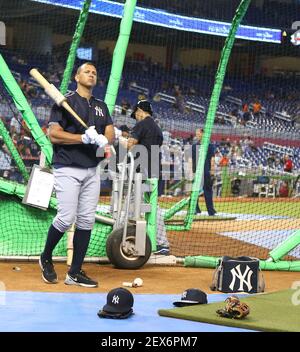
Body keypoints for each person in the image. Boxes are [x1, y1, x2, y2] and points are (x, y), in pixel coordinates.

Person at [39, 62, 114, 287]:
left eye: (94, 72)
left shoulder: (101, 106)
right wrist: (82, 138)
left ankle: (74, 272)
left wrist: (104, 139)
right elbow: (54, 134)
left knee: (86, 220)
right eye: (87, 71)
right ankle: (45, 257)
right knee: (65, 217)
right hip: (68, 166)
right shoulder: (64, 101)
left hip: (92, 168)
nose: (91, 74)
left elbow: (109, 129)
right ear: (76, 76)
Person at [116, 100, 170, 255]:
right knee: (152, 206)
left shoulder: (142, 125)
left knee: (129, 204)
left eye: (136, 114)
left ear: (140, 110)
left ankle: (117, 237)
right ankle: (162, 243)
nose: (136, 117)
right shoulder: (157, 129)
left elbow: (130, 145)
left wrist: (119, 138)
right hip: (153, 172)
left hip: (140, 173)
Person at [190, 128, 217, 216]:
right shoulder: (210, 145)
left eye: (198, 133)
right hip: (206, 171)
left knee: (195, 191)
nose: (196, 135)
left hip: (197, 172)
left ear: (202, 133)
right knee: (208, 191)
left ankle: (195, 209)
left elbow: (191, 160)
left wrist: (191, 172)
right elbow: (212, 160)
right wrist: (212, 173)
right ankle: (211, 211)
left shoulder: (194, 146)